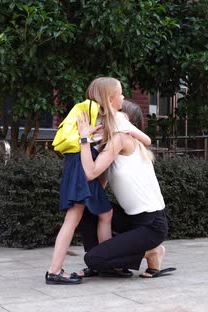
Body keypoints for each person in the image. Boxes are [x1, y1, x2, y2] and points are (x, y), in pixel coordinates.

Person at [45, 78, 150, 285]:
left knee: (104, 213)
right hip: (81, 167)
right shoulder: (105, 117)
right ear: (110, 98)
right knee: (73, 218)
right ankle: (55, 270)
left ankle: (106, 264)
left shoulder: (95, 114)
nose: (123, 97)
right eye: (120, 94)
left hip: (77, 166)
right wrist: (128, 130)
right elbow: (146, 140)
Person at [76, 97, 176, 279]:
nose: (100, 121)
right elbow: (99, 185)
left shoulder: (124, 139)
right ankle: (106, 261)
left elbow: (90, 173)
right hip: (132, 221)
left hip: (151, 226)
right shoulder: (110, 147)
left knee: (93, 258)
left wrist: (84, 139)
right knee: (88, 209)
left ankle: (151, 252)